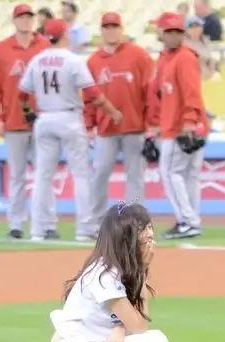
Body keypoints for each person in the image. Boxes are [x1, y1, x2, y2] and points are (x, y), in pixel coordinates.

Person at [46, 202, 166, 342]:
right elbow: (140, 326)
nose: (150, 233)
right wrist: (142, 269)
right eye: (142, 228)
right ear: (125, 235)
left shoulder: (117, 268)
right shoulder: (104, 275)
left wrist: (120, 329)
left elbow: (132, 323)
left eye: (149, 225)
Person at [18, 18, 122, 242]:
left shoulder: (37, 60)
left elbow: (22, 94)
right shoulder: (72, 60)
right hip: (69, 116)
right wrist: (113, 112)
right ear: (65, 35)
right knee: (81, 175)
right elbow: (93, 94)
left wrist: (28, 112)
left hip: (45, 116)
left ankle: (39, 229)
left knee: (43, 175)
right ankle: (84, 229)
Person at [0, 3, 49, 239]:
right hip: (14, 121)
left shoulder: (44, 46)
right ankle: (16, 224)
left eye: (28, 17)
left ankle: (46, 223)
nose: (25, 21)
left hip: (42, 120)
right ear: (14, 21)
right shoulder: (1, 50)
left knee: (44, 174)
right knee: (17, 176)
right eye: (21, 17)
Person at [86, 12, 154, 221]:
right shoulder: (94, 61)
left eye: (115, 26)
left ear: (121, 29)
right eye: (107, 27)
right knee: (99, 174)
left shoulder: (139, 55)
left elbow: (150, 91)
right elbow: (88, 96)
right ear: (101, 31)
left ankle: (134, 221)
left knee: (135, 176)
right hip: (105, 129)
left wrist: (151, 123)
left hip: (135, 126)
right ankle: (96, 220)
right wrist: (89, 125)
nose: (111, 31)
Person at [149, 12, 208, 240]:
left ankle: (187, 221)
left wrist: (189, 122)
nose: (173, 35)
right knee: (189, 175)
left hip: (180, 126)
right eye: (169, 31)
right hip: (179, 124)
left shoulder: (184, 57)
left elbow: (192, 92)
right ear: (161, 33)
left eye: (177, 32)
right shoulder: (165, 57)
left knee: (171, 172)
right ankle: (191, 220)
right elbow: (158, 93)